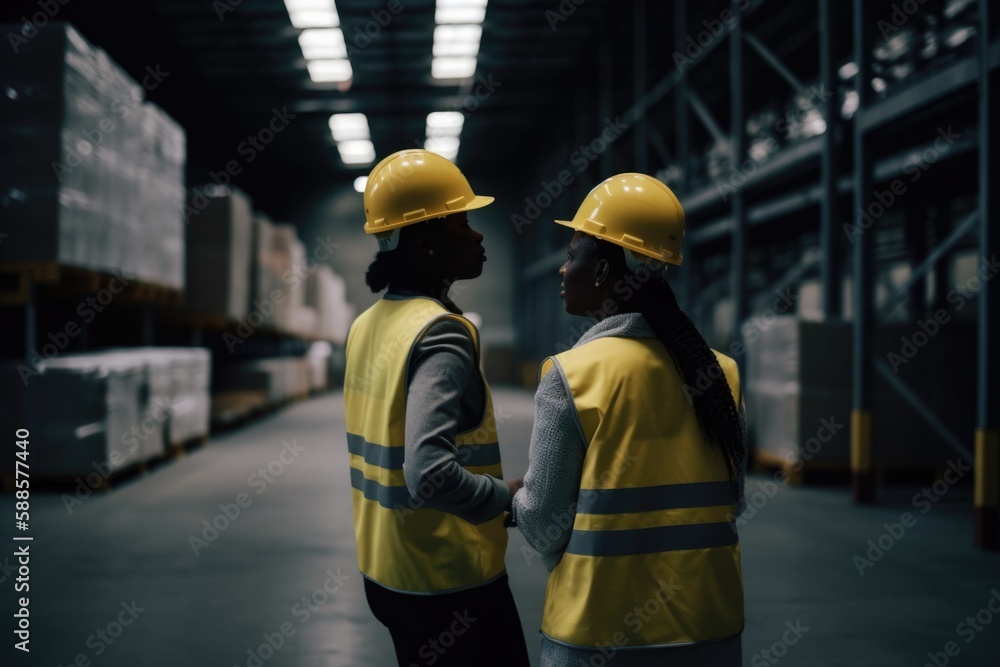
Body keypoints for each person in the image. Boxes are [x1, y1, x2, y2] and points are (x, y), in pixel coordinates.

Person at [509, 173, 749, 667]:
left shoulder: (571, 375)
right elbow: (733, 500)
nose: (561, 269)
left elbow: (544, 526)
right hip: (708, 632)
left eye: (572, 254)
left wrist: (518, 500)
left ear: (601, 271)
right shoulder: (721, 372)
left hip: (598, 632)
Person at [342, 149, 530, 667]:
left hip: (386, 572)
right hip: (449, 584)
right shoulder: (442, 331)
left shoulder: (367, 325)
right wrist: (502, 500)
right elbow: (428, 473)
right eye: (463, 223)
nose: (478, 235)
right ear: (424, 242)